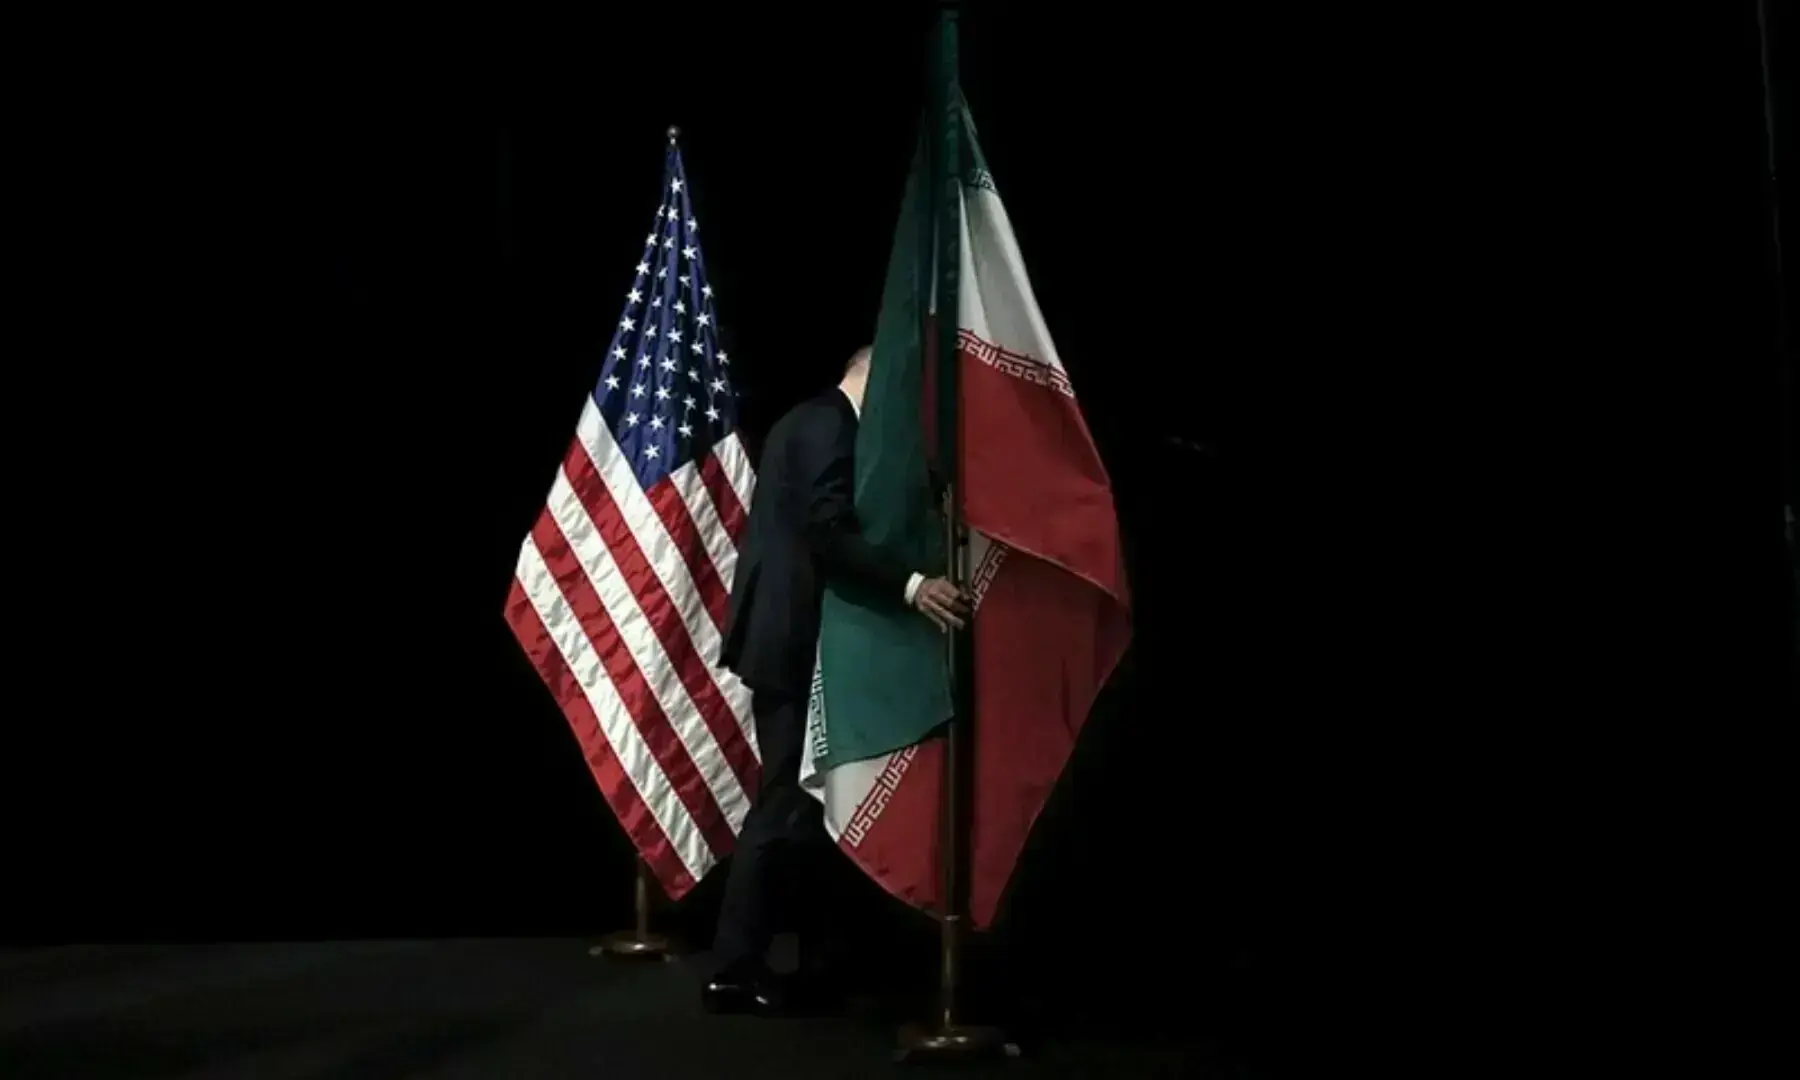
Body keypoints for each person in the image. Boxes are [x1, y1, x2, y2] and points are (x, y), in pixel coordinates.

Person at [704, 345, 969, 1015]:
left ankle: (811, 956)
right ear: (869, 377)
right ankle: (734, 967)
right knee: (784, 803)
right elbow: (826, 529)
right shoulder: (829, 423)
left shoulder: (806, 421)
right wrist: (911, 586)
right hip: (790, 640)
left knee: (802, 808)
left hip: (789, 636)